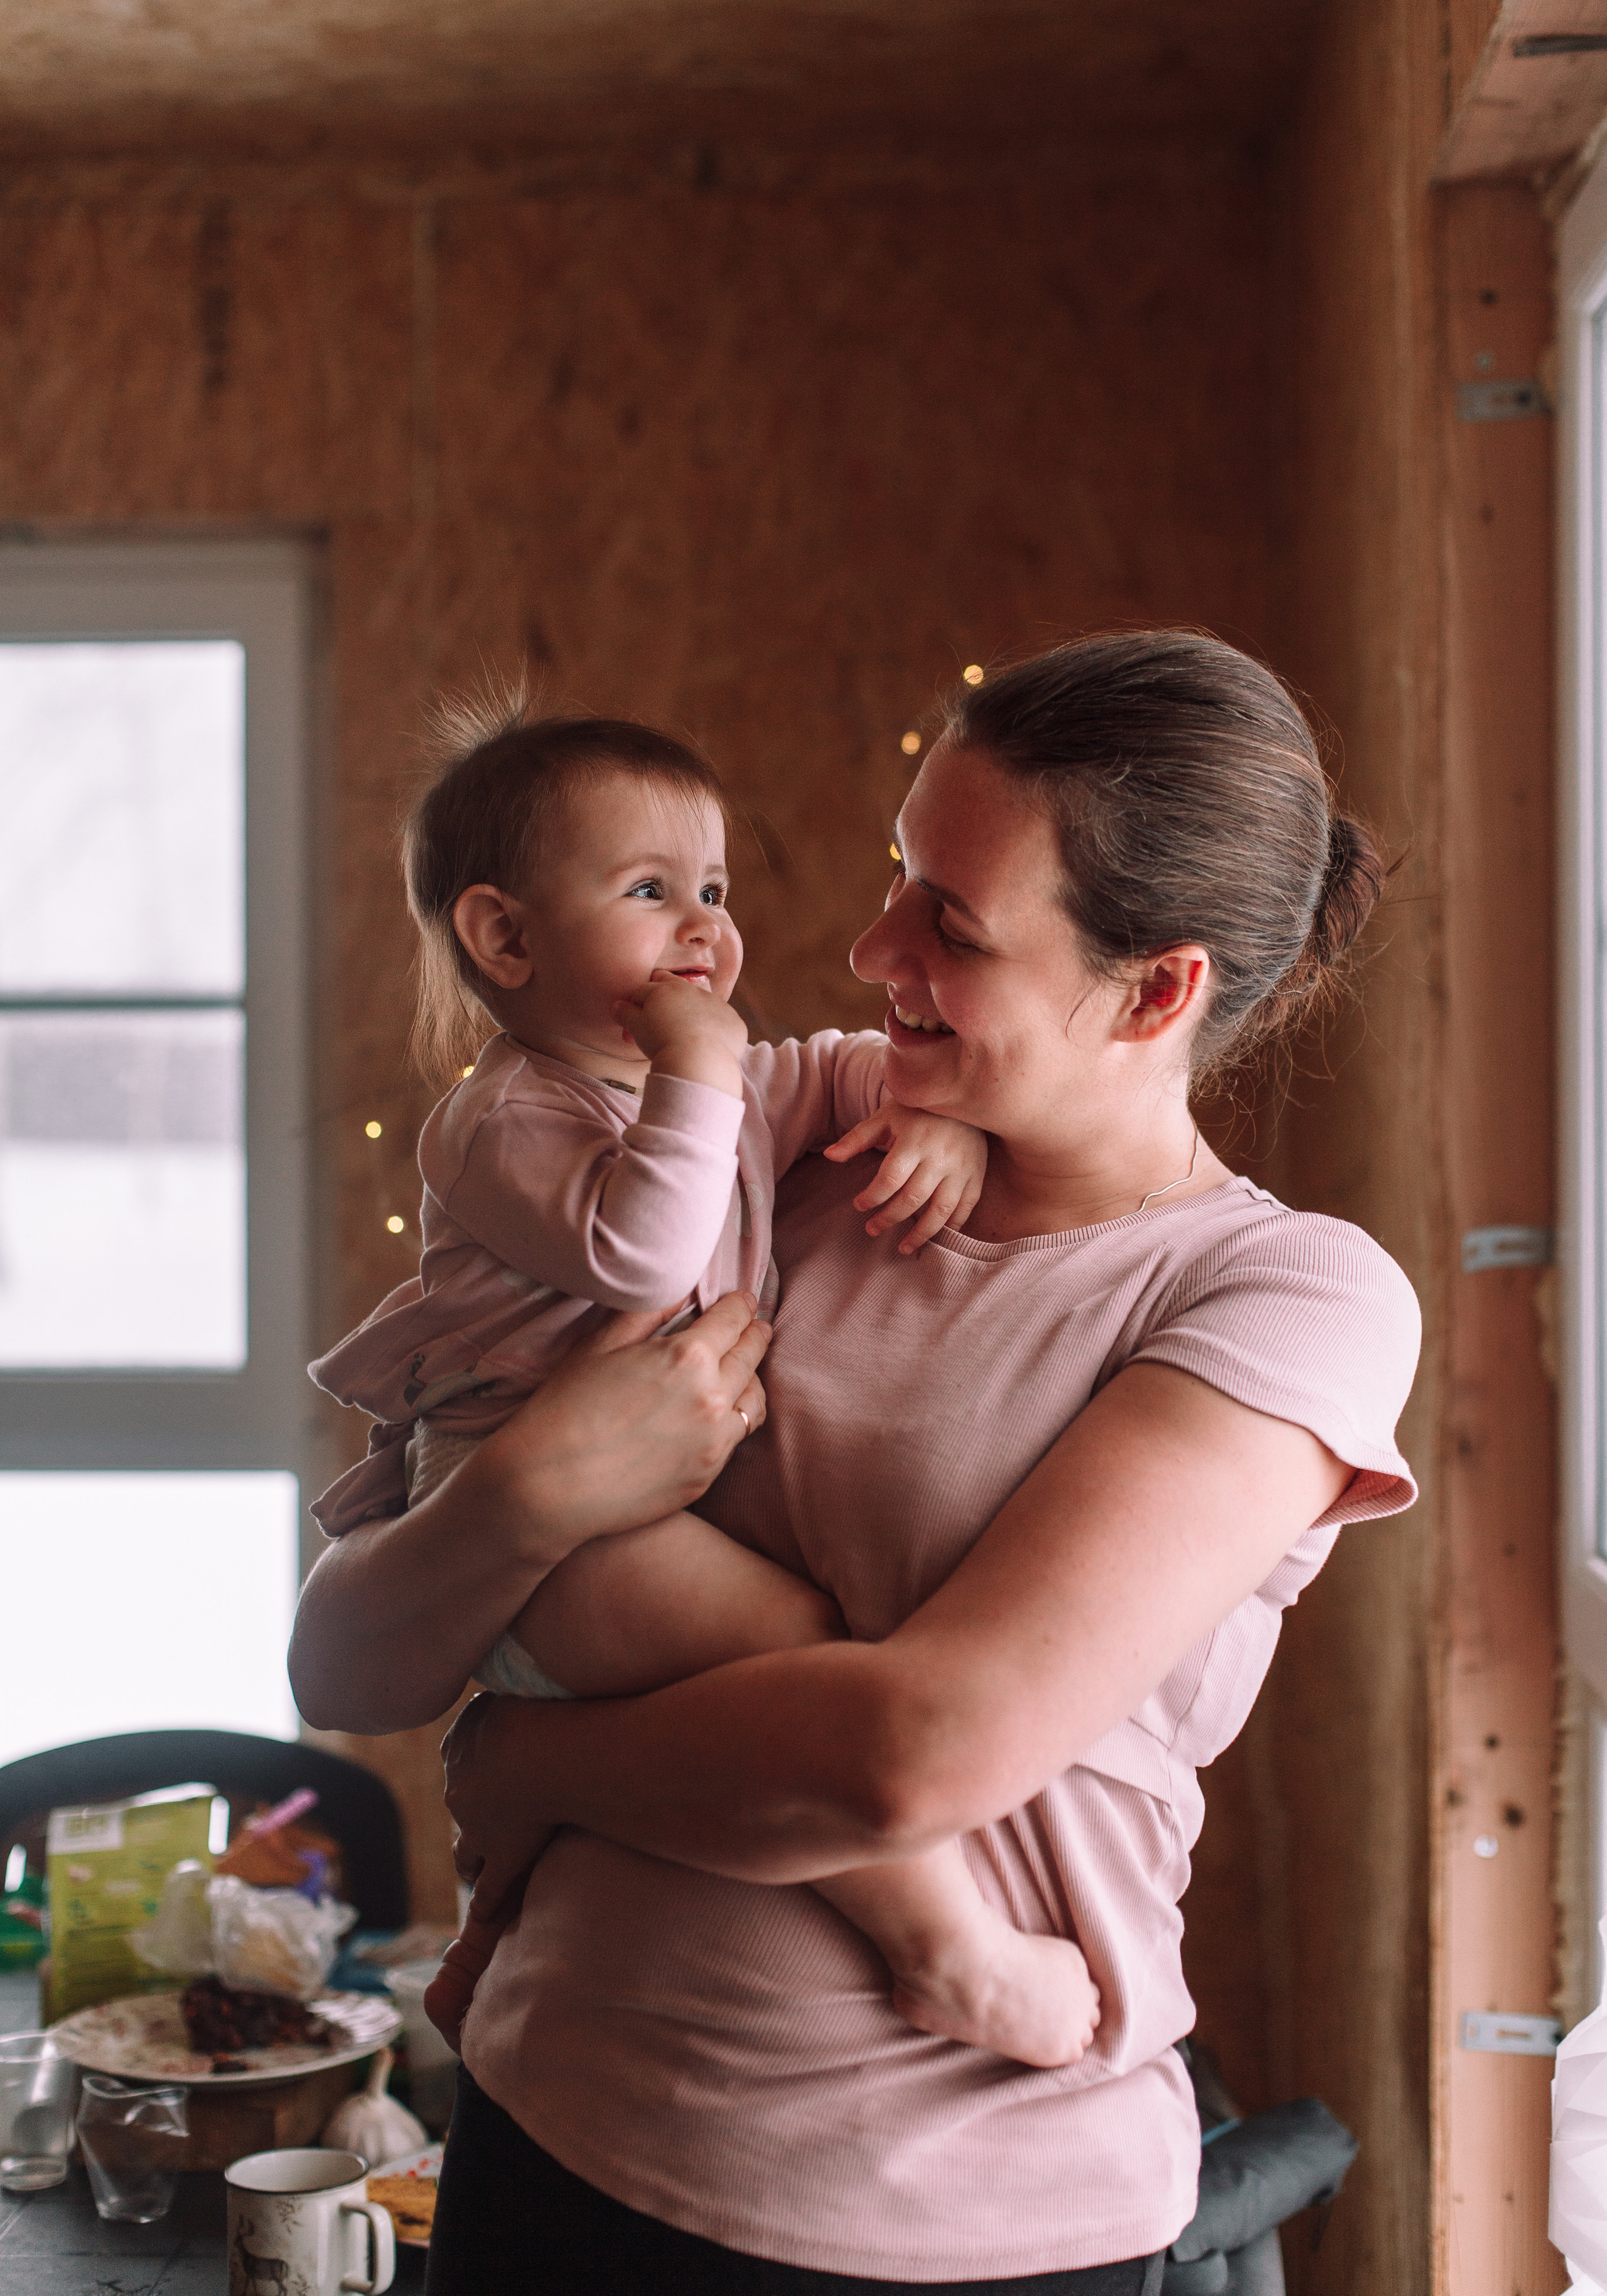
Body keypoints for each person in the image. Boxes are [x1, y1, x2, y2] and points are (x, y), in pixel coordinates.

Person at [290, 630, 1422, 2296]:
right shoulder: (772, 1139)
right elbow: (342, 1660)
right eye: (903, 875)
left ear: (1157, 990)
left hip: (947, 2218)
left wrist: (544, 1770)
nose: (863, 944)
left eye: (948, 925)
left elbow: (912, 1758)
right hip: (552, 2131)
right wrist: (536, 1487)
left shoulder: (1283, 1298)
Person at [307, 703, 1101, 2069]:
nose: (704, 931)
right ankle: (944, 1949)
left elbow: (849, 1071)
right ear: (504, 939)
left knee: (758, 1699)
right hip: (542, 1544)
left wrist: (932, 1118)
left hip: (626, 1522)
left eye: (714, 892)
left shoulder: (701, 1083)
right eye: (648, 891)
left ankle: (501, 1909)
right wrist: (701, 1064)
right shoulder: (507, 1119)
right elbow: (641, 1246)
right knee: (803, 1664)